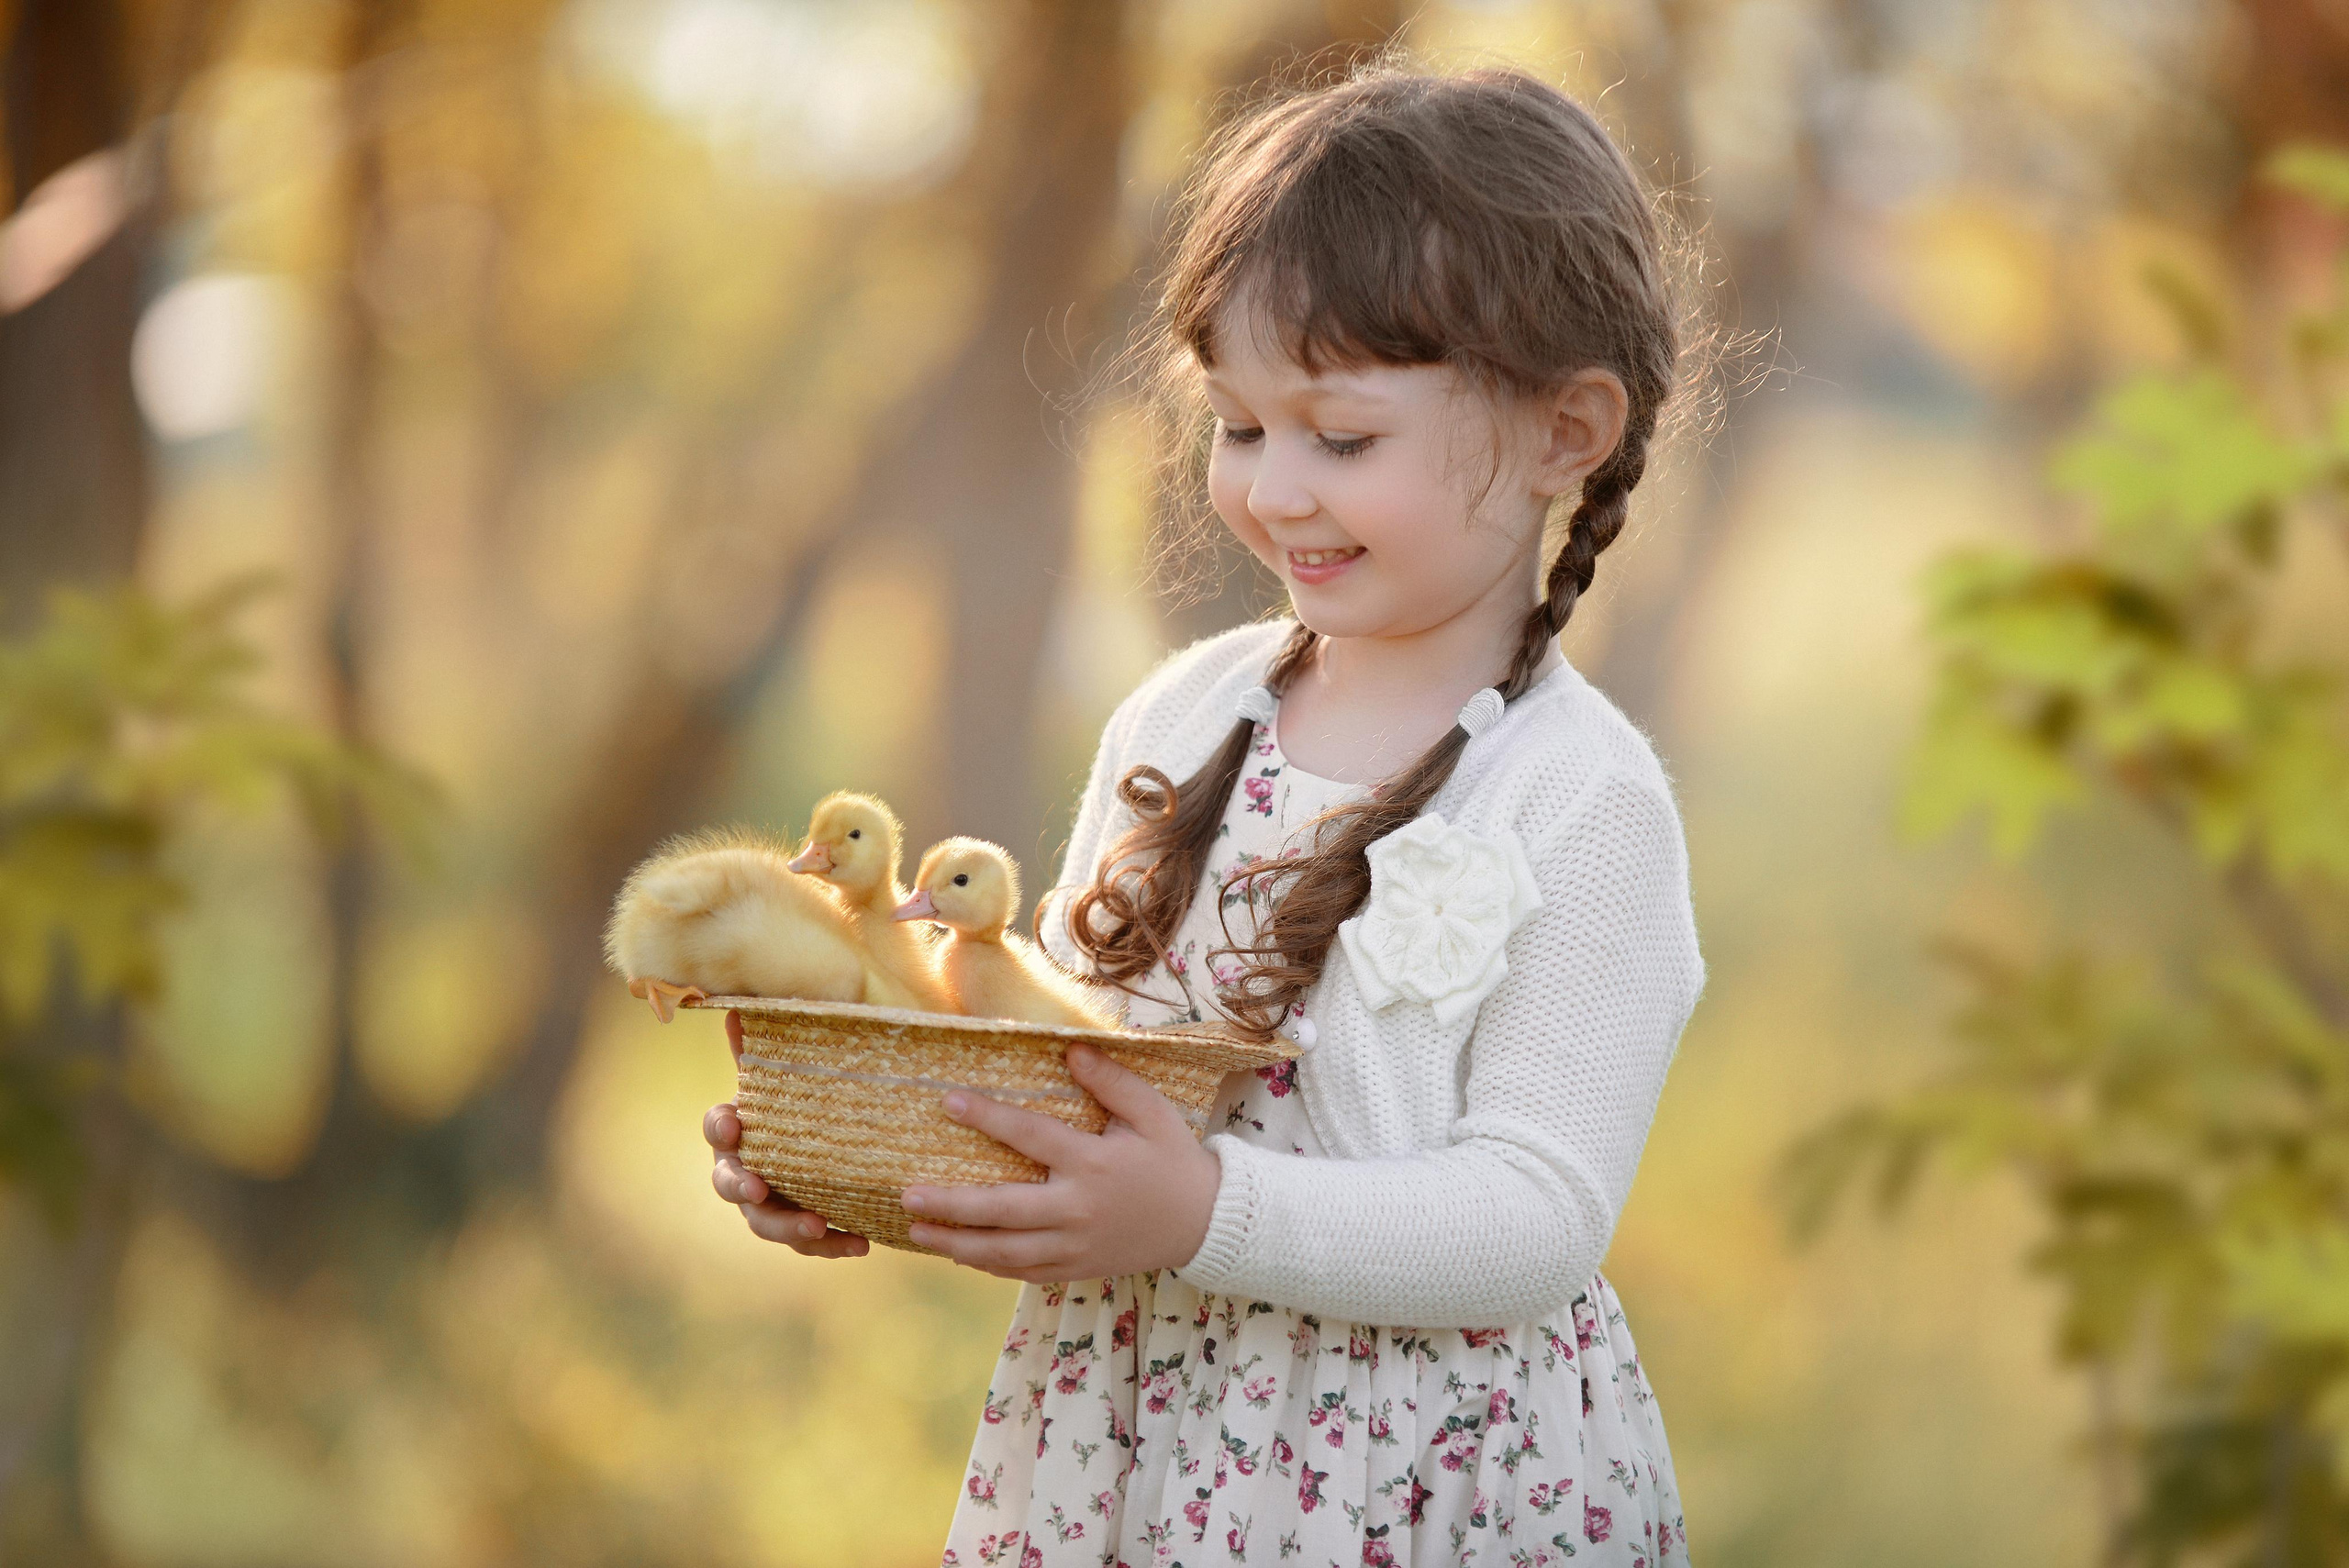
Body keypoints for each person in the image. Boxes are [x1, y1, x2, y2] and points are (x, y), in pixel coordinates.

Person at [703, 59, 1709, 1567]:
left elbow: (1535, 1217)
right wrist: (878, 1149)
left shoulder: (1582, 800)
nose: (1273, 489)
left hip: (1424, 1484)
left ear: (1567, 430)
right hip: (1137, 1453)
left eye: (1341, 437)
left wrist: (1205, 1212)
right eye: (1238, 426)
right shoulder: (1184, 719)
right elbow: (1076, 1073)